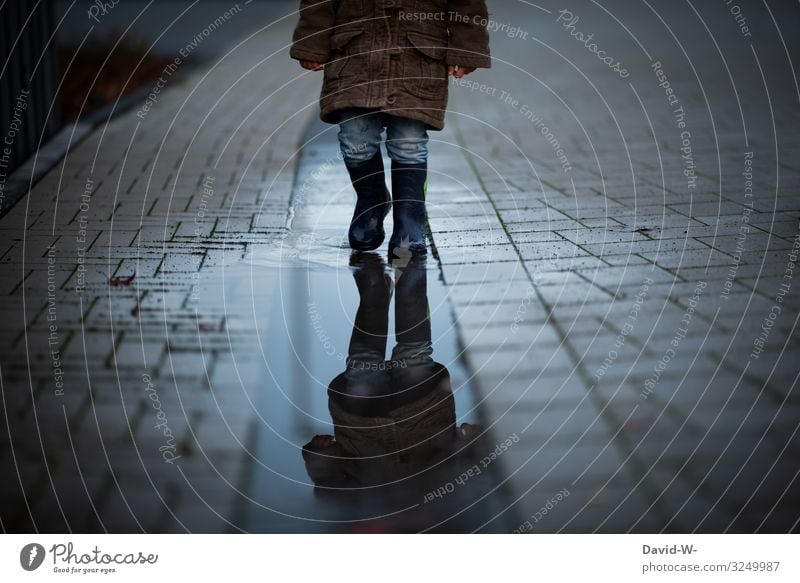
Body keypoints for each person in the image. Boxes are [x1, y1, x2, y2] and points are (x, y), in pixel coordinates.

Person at [290, 1, 491, 258]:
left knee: (409, 143)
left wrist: (466, 50)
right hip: (355, 56)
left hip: (418, 58)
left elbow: (468, 5)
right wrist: (312, 43)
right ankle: (372, 202)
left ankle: (410, 222)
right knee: (355, 140)